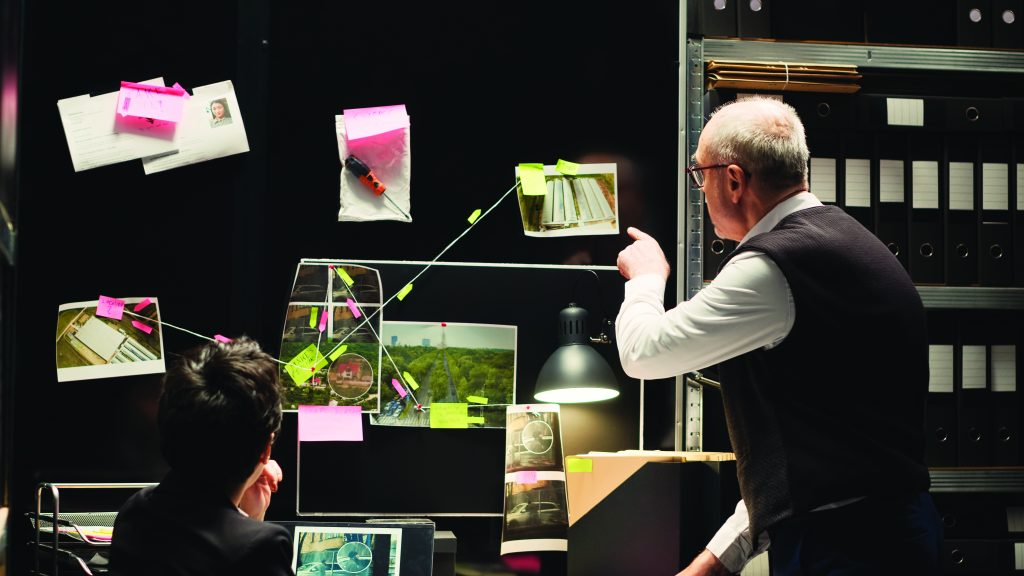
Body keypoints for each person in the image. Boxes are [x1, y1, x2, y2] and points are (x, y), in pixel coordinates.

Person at [615, 97, 941, 575]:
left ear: (732, 179)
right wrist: (716, 562)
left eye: (699, 174)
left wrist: (646, 276)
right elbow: (816, 451)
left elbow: (642, 353)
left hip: (847, 549)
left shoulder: (773, 268)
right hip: (884, 534)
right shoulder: (844, 240)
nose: (700, 190)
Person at [110, 337, 292, 575]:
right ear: (266, 449)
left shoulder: (134, 512)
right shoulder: (263, 545)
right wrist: (252, 524)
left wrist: (246, 518)